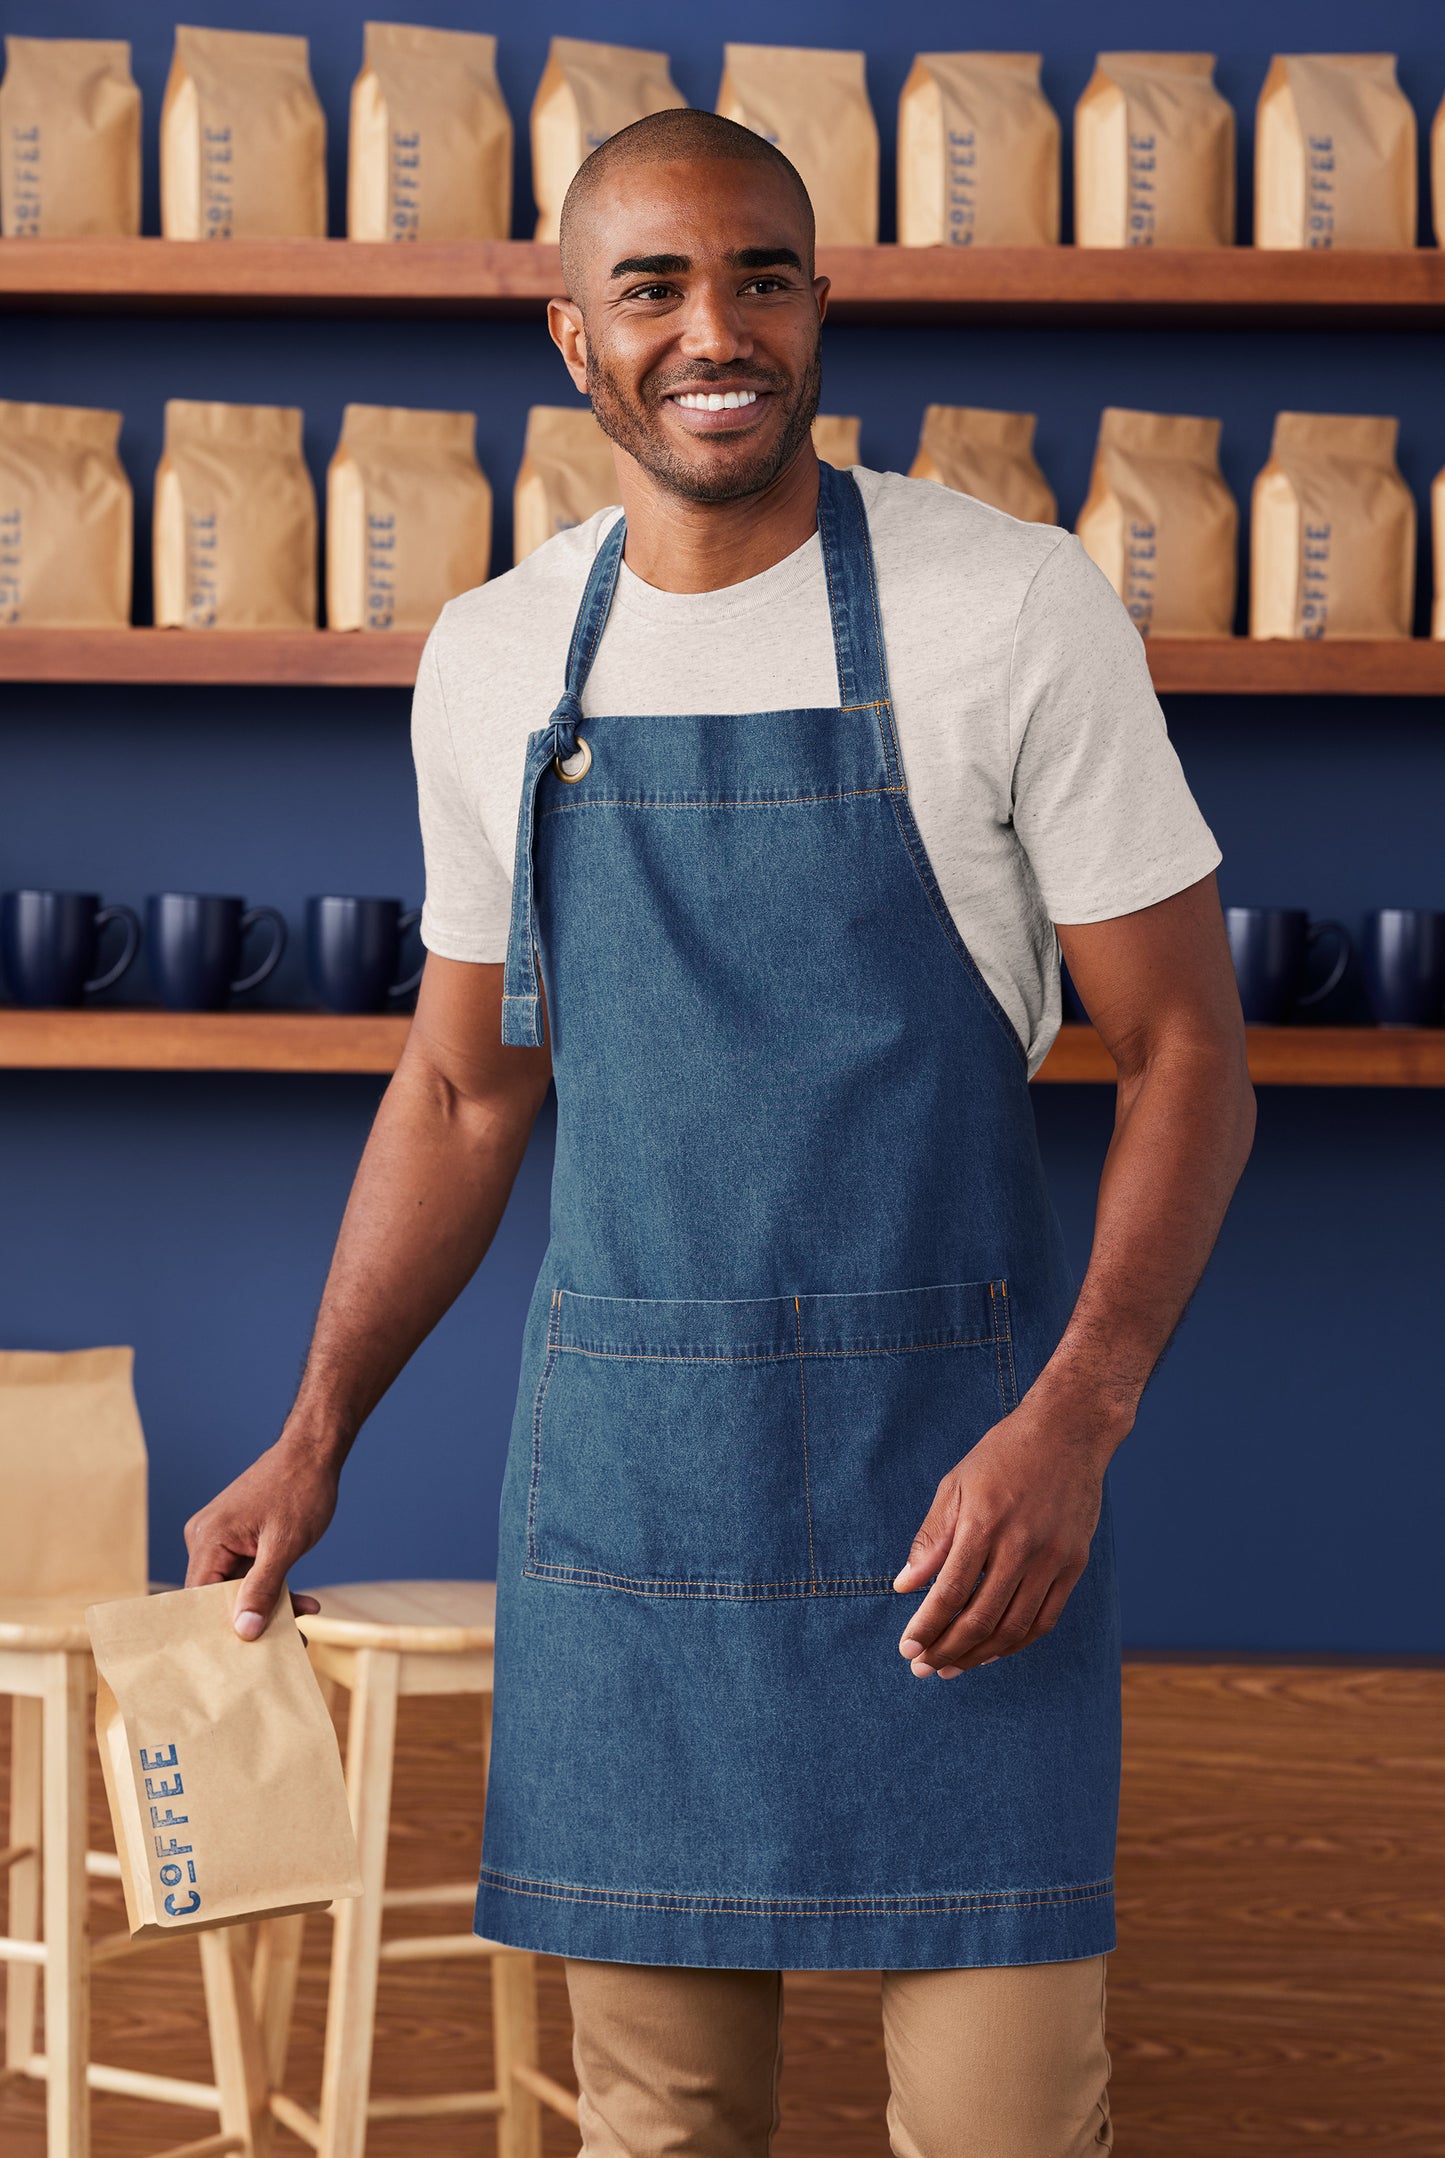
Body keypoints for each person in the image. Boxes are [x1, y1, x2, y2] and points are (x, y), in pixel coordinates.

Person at [185, 109, 1255, 2158]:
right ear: (575, 338)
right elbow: (464, 1083)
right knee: (657, 2132)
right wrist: (317, 1428)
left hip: (966, 1508)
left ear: (822, 308)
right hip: (633, 1518)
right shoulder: (497, 656)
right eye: (656, 287)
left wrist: (1078, 1418)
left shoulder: (1011, 611)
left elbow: (1192, 1049)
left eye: (763, 275)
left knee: (1010, 2131)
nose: (716, 327)